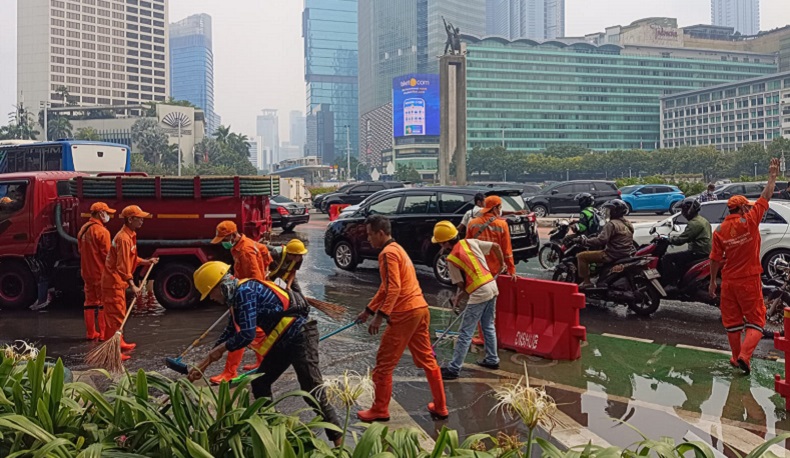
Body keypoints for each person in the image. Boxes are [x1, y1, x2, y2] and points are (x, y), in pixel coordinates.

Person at [187, 261, 342, 446]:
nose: (211, 298)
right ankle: (271, 431)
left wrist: (217, 352)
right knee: (260, 382)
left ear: (220, 285)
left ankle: (339, 446)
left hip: (301, 336)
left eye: (210, 293)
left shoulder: (245, 292)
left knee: (313, 391)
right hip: (283, 341)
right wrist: (203, 364)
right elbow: (230, 332)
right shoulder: (236, 297)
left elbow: (246, 334)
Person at [356, 215, 449, 422]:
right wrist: (368, 311)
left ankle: (380, 409)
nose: (368, 239)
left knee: (383, 365)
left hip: (405, 313)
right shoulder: (398, 249)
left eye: (370, 235)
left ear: (381, 233)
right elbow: (386, 287)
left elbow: (393, 288)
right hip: (420, 308)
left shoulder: (387, 254)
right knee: (428, 360)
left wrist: (380, 317)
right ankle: (441, 406)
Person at [709, 158, 780, 375]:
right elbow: (765, 196)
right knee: (757, 319)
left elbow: (714, 259)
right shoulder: (749, 221)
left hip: (728, 281)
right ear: (740, 208)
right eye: (745, 207)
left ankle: (735, 356)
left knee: (732, 322)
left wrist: (713, 281)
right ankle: (744, 356)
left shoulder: (719, 230)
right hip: (749, 279)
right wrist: (772, 177)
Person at [432, 221, 502, 380]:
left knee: (465, 332)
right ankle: (492, 359)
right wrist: (502, 264)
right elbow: (496, 247)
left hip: (479, 293)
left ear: (444, 242)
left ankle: (454, 368)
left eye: (439, 243)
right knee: (488, 325)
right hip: (492, 285)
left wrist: (461, 297)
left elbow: (461, 285)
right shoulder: (470, 242)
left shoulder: (451, 259)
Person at [208, 221, 270, 383]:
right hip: (245, 292)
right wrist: (266, 268)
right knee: (257, 332)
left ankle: (230, 372)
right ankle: (263, 361)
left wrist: (245, 297)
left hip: (248, 295)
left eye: (223, 239)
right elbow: (264, 251)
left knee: (240, 332)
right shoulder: (244, 244)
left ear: (232, 235)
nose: (222, 243)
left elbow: (255, 280)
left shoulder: (245, 251)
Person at [101, 205, 158, 359]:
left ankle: (119, 342)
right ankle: (112, 353)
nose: (142, 220)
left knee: (118, 314)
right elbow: (122, 266)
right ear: (130, 219)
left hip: (118, 282)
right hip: (113, 282)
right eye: (139, 218)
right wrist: (133, 285)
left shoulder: (130, 234)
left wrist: (147, 261)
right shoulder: (123, 238)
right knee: (115, 316)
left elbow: (131, 259)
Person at [466, 195, 517, 345]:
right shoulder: (502, 225)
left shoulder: (472, 223)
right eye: (500, 207)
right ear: (495, 208)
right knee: (490, 309)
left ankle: (483, 337)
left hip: (478, 270)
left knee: (480, 306)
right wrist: (511, 269)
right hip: (495, 270)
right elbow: (507, 250)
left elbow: (467, 247)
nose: (501, 210)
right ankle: (489, 339)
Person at [576, 199, 634, 289]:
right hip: (625, 253)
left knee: (581, 256)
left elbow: (601, 240)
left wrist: (585, 241)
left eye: (609, 210)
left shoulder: (611, 224)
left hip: (611, 254)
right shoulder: (627, 223)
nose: (608, 212)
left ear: (615, 211)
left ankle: (586, 282)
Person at [78, 202, 115, 340]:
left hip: (86, 272)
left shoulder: (83, 229)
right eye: (107, 213)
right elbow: (107, 256)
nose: (108, 215)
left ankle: (91, 333)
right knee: (103, 303)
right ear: (100, 213)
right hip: (100, 273)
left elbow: (80, 250)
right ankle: (104, 334)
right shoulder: (102, 232)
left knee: (89, 303)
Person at [659, 198, 712, 285]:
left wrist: (668, 240)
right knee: (679, 260)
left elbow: (681, 240)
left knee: (667, 258)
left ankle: (670, 284)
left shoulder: (694, 223)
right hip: (704, 250)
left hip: (698, 252)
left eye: (684, 209)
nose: (683, 212)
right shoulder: (702, 220)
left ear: (690, 210)